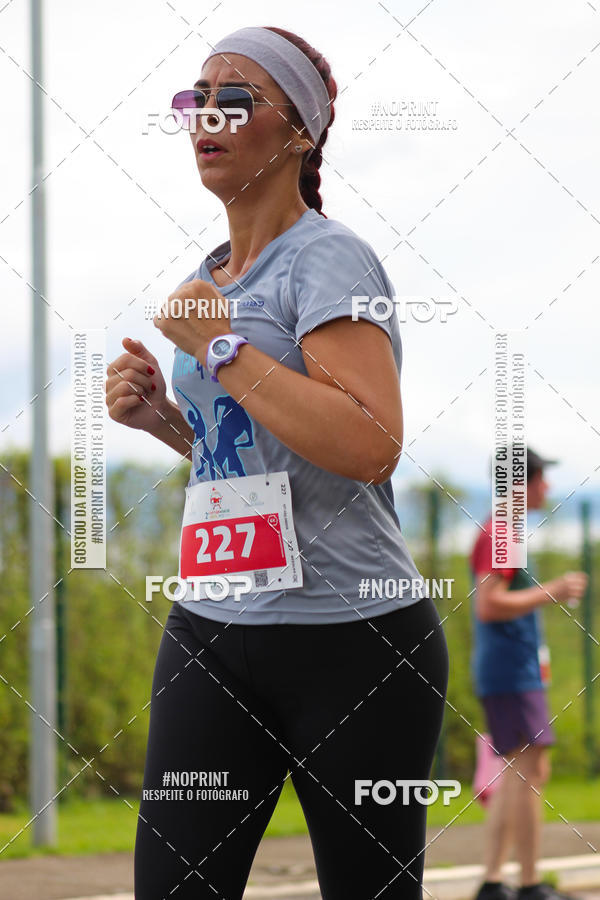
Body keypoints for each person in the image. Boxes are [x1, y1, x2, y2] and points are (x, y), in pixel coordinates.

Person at [106, 26, 448, 900]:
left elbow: (370, 444)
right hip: (212, 629)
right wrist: (166, 425)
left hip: (354, 643)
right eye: (197, 98)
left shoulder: (330, 258)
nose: (206, 116)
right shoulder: (211, 271)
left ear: (300, 132)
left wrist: (219, 346)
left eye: (237, 97)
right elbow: (257, 460)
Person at [470, 447, 588, 900]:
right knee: (532, 769)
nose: (548, 488)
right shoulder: (502, 530)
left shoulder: (502, 529)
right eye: (542, 478)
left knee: (520, 772)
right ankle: (531, 883)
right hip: (510, 672)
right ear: (521, 483)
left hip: (512, 670)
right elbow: (488, 603)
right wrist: (551, 592)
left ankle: (494, 881)